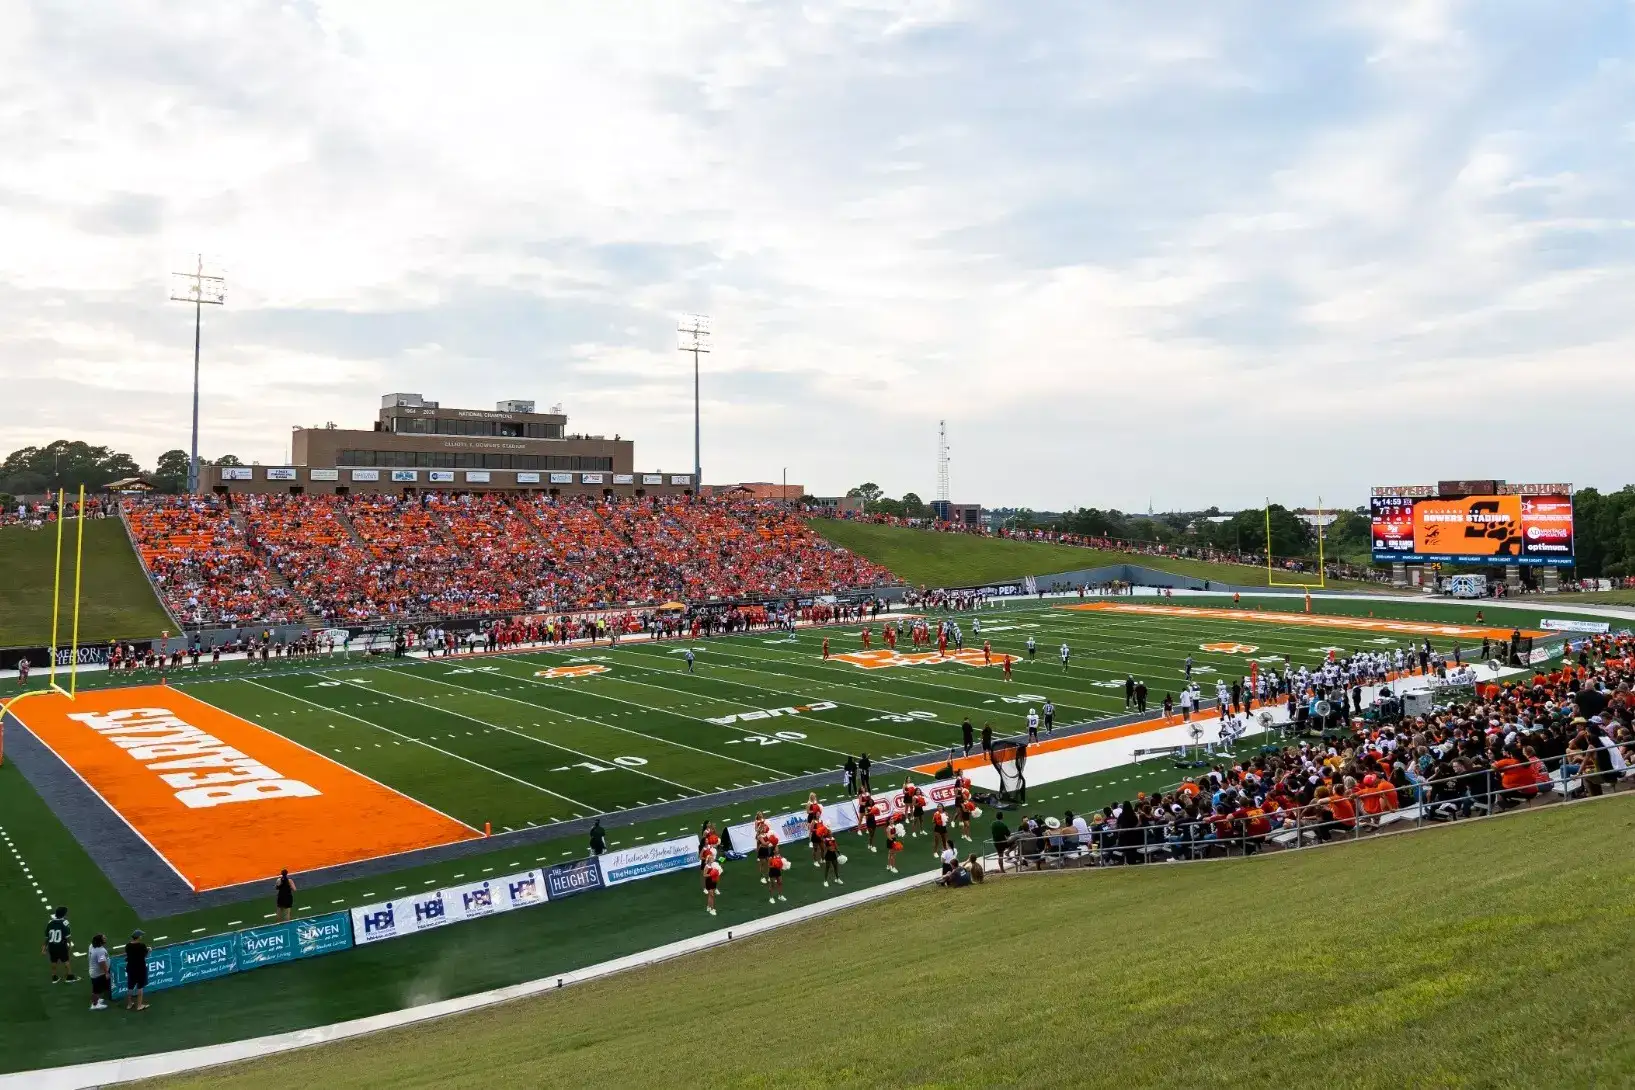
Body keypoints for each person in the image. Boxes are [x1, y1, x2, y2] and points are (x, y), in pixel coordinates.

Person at [43, 906, 75, 984]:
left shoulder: (50, 922)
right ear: (63, 914)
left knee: (53, 961)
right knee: (66, 960)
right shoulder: (65, 922)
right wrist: (70, 944)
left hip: (52, 946)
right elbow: (68, 936)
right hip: (61, 945)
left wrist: (44, 947)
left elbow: (47, 937)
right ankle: (70, 976)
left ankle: (54, 977)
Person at [123, 929, 149, 1011]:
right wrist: (149, 950)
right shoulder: (142, 945)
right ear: (138, 937)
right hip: (140, 968)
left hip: (131, 968)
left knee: (130, 987)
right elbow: (146, 956)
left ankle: (129, 1004)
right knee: (140, 987)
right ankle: (139, 1005)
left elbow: (128, 956)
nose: (142, 936)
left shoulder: (128, 945)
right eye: (141, 935)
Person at [88, 933, 110, 1011]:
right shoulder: (100, 951)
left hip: (94, 971)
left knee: (96, 989)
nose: (105, 939)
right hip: (98, 973)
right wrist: (106, 972)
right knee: (96, 990)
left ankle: (96, 1000)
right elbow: (102, 963)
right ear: (100, 941)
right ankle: (95, 1004)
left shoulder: (91, 946)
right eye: (104, 938)